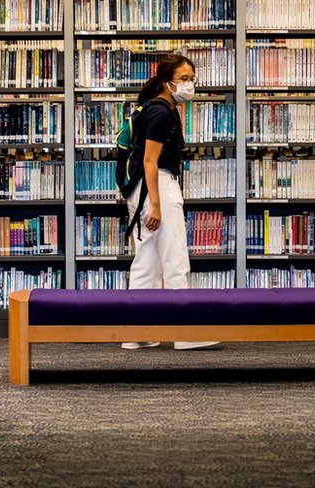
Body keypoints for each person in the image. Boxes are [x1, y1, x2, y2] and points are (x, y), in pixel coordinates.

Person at [121, 54, 218, 351]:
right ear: (167, 81)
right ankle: (186, 332)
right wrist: (158, 205)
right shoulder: (162, 112)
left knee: (147, 261)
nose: (189, 85)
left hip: (143, 191)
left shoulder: (154, 107)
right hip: (157, 187)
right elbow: (151, 161)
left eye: (192, 79)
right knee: (175, 257)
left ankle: (137, 333)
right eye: (184, 79)